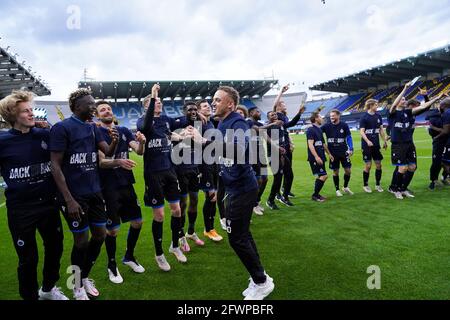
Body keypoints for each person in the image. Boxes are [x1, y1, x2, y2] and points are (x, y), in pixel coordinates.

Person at [49, 88, 118, 300]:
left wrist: (114, 140)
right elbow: (55, 166)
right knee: (81, 242)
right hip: (73, 196)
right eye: (90, 105)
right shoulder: (62, 128)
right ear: (77, 107)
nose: (93, 108)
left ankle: (84, 276)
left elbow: (107, 152)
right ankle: (76, 286)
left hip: (94, 192)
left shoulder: (93, 128)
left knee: (100, 235)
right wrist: (69, 200)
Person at [0, 90, 68, 300]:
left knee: (55, 249)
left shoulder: (44, 135)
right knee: (28, 259)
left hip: (48, 204)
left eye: (31, 110)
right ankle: (30, 297)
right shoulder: (2, 141)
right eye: (25, 111)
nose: (31, 114)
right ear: (13, 115)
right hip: (21, 210)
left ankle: (48, 289)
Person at [212, 86, 274, 300]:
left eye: (218, 100)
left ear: (230, 104)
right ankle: (259, 276)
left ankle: (261, 282)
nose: (214, 103)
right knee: (243, 234)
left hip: (243, 189)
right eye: (213, 99)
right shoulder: (222, 123)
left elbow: (238, 151)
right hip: (235, 188)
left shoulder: (238, 122)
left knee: (236, 238)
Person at [95, 100, 146, 284]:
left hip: (126, 184)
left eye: (109, 108)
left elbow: (138, 151)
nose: (107, 111)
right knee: (113, 230)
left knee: (137, 222)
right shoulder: (96, 132)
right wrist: (118, 162)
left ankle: (129, 256)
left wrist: (142, 142)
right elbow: (101, 161)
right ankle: (111, 265)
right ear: (97, 114)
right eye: (103, 109)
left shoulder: (123, 130)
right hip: (108, 187)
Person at [141, 84, 188, 271]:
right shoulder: (142, 121)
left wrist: (197, 114)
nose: (158, 103)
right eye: (154, 102)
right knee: (159, 215)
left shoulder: (167, 120)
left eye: (160, 101)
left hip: (169, 171)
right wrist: (153, 96)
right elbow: (145, 127)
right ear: (147, 105)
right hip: (153, 174)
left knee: (176, 210)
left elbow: (183, 121)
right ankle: (159, 253)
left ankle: (174, 246)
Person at [387, 81, 444, 199]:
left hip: (409, 144)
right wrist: (405, 89)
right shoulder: (392, 114)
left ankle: (403, 189)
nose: (404, 100)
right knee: (402, 168)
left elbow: (423, 106)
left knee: (412, 167)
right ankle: (396, 189)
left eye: (404, 99)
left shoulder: (408, 112)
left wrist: (437, 98)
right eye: (402, 99)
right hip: (398, 145)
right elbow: (394, 105)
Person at [173, 101, 205, 251]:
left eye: (195, 109)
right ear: (184, 110)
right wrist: (181, 134)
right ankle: (180, 236)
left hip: (194, 167)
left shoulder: (199, 124)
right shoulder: (176, 122)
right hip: (180, 169)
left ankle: (191, 231)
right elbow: (168, 136)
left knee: (195, 199)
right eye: (190, 109)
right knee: (183, 204)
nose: (193, 111)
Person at [266, 104, 305, 209]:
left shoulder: (281, 124)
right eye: (271, 115)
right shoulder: (267, 127)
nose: (274, 115)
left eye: (275, 114)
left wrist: (299, 113)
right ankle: (270, 200)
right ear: (268, 118)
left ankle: (285, 197)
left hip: (283, 154)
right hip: (273, 155)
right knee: (277, 179)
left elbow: (292, 123)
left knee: (289, 175)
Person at [197, 99, 223, 242]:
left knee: (215, 197)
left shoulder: (211, 122)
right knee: (211, 196)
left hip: (215, 162)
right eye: (205, 106)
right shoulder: (199, 124)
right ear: (199, 110)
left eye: (209, 105)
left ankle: (210, 228)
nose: (208, 107)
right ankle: (208, 229)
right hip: (204, 163)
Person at [322, 109, 354, 197]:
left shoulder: (344, 125)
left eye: (333, 115)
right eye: (331, 116)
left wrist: (351, 148)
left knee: (348, 171)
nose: (332, 117)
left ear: (338, 116)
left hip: (343, 151)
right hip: (332, 152)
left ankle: (345, 187)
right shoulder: (326, 126)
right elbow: (318, 133)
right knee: (335, 171)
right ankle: (337, 190)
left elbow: (348, 137)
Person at [272, 84, 297, 199]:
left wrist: (291, 143)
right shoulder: (277, 115)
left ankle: (285, 189)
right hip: (280, 145)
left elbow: (285, 131)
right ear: (278, 107)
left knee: (288, 168)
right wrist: (281, 91)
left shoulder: (285, 117)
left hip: (286, 144)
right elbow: (274, 104)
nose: (285, 105)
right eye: (283, 104)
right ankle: (277, 193)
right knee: (281, 170)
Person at [359, 99, 388, 193]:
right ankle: (365, 185)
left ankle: (377, 184)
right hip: (366, 145)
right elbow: (362, 131)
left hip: (376, 144)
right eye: (376, 105)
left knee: (379, 165)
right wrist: (367, 141)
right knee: (368, 165)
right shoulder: (364, 117)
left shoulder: (378, 116)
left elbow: (381, 130)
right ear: (371, 106)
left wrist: (384, 141)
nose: (377, 106)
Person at [246, 107, 269, 215]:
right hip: (253, 156)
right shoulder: (248, 122)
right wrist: (272, 124)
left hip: (261, 155)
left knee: (265, 179)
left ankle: (257, 200)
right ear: (251, 113)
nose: (259, 113)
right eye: (257, 111)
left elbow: (266, 137)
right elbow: (258, 130)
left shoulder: (260, 124)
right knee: (257, 181)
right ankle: (252, 204)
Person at [307, 112, 334, 202]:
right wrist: (316, 157)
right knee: (323, 176)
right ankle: (315, 195)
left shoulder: (319, 129)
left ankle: (317, 194)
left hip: (321, 156)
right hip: (315, 157)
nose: (322, 119)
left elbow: (323, 144)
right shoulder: (310, 130)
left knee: (321, 176)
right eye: (320, 117)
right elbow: (310, 145)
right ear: (315, 118)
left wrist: (329, 154)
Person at [429, 97, 450, 181]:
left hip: (444, 140)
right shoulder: (435, 114)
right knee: (440, 161)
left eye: (440, 104)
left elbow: (446, 131)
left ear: (443, 105)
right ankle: (435, 180)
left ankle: (441, 178)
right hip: (442, 141)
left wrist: (435, 134)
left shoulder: (447, 113)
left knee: (442, 161)